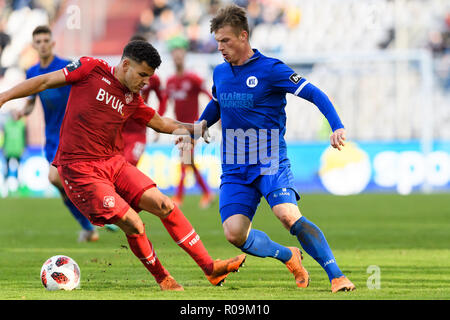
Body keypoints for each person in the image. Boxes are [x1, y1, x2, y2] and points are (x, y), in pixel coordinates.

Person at [0, 40, 245, 291]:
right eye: (142, 75)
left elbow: (160, 122)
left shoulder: (132, 100)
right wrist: (5, 96)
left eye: (148, 77)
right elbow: (43, 82)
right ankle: (164, 278)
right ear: (125, 64)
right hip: (80, 170)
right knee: (134, 223)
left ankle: (210, 268)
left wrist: (195, 128)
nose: (144, 82)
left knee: (164, 204)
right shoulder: (89, 68)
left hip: (114, 163)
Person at [196, 4, 355, 293]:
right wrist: (199, 126)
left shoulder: (271, 69)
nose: (220, 47)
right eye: (217, 41)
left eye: (226, 41)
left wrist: (336, 125)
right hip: (233, 162)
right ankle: (288, 256)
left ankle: (337, 275)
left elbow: (314, 93)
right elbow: (218, 104)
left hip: (269, 157)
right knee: (234, 234)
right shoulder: (220, 72)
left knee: (287, 215)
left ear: (243, 36)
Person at [14, 26, 99, 242]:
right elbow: (31, 102)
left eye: (46, 40)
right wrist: (22, 112)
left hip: (75, 134)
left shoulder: (65, 66)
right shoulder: (32, 72)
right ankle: (88, 226)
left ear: (53, 43)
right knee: (61, 186)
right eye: (38, 41)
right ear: (34, 45)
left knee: (55, 178)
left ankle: (95, 215)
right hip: (52, 137)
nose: (42, 44)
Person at [163, 36, 214, 209]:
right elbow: (165, 102)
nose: (177, 56)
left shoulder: (193, 78)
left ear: (184, 56)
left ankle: (178, 197)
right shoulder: (170, 81)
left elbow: (209, 96)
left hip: (192, 126)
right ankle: (207, 192)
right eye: (174, 53)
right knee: (188, 161)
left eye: (180, 53)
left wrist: (216, 117)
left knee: (184, 158)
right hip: (178, 127)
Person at [122, 34, 167, 167]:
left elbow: (163, 99)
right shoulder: (120, 76)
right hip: (119, 131)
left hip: (138, 132)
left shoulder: (153, 79)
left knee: (128, 167)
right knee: (115, 171)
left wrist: (157, 122)